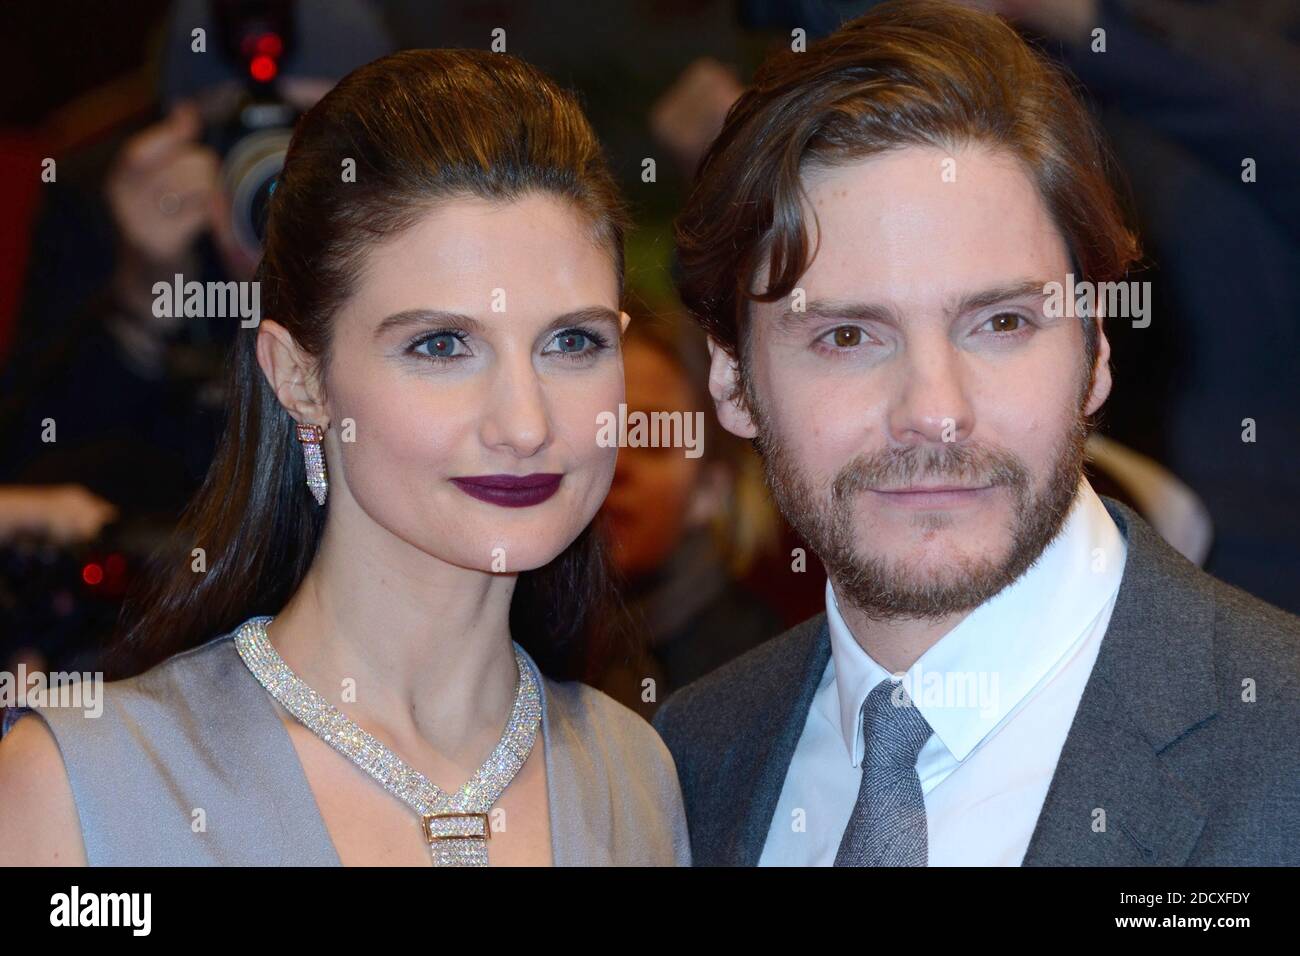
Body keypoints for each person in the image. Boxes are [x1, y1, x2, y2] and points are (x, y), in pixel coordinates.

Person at [0, 49, 690, 867]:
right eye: (441, 345)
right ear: (299, 379)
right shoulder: (83, 788)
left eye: (572, 342)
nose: (525, 421)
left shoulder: (635, 772)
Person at [653, 0, 1300, 866]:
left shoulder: (1280, 745)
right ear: (731, 379)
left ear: (1096, 347)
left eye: (998, 324)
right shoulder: (682, 766)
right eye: (848, 336)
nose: (935, 410)